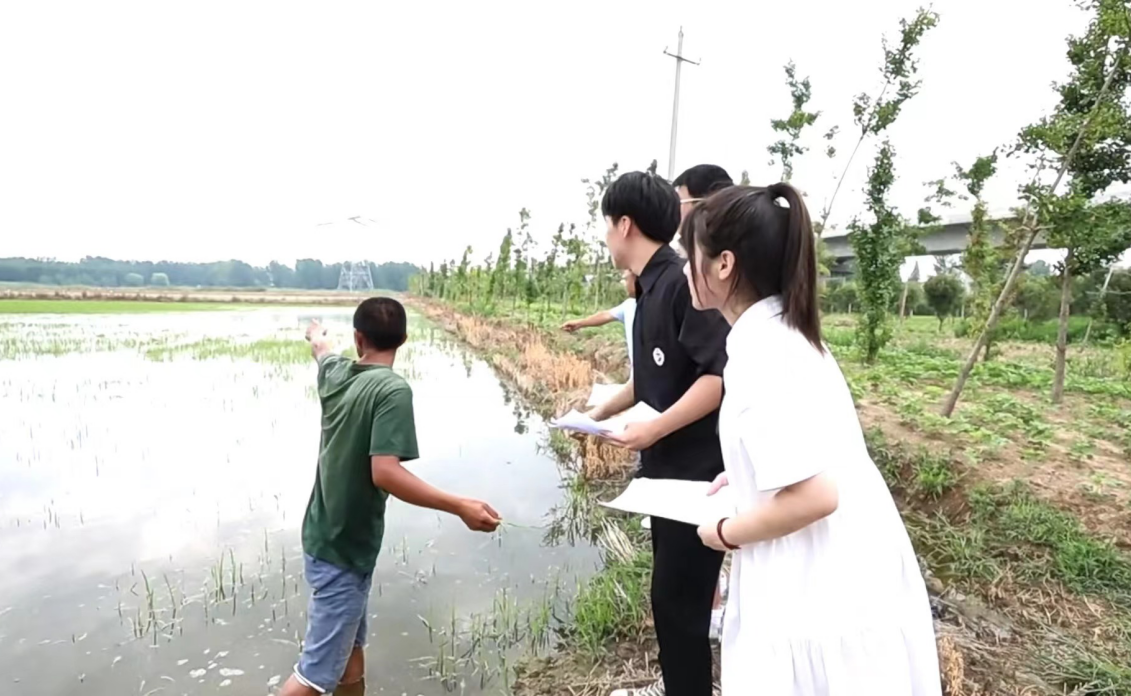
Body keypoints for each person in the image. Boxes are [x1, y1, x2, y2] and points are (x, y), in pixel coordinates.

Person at [681, 184, 941, 695]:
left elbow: (816, 495)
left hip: (817, 582)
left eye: (690, 256)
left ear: (724, 264)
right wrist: (749, 470)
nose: (686, 268)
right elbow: (812, 446)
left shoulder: (762, 355)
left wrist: (725, 532)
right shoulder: (785, 335)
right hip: (852, 572)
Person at [279, 297, 502, 696]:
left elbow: (323, 353)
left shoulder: (336, 374)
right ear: (404, 338)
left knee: (350, 655)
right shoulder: (392, 390)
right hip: (344, 549)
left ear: (358, 338)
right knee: (313, 678)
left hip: (324, 537)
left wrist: (317, 335)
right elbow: (384, 472)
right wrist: (459, 506)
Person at [587, 171, 731, 696]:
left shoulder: (681, 284)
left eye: (606, 224)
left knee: (682, 606)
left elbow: (717, 377)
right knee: (671, 599)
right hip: (668, 476)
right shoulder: (650, 290)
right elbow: (652, 377)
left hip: (696, 478)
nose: (605, 236)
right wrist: (599, 414)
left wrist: (652, 430)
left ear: (625, 225)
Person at [561, 269, 638, 367]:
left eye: (626, 279)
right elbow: (606, 315)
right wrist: (579, 323)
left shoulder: (656, 306)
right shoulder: (629, 305)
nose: (624, 284)